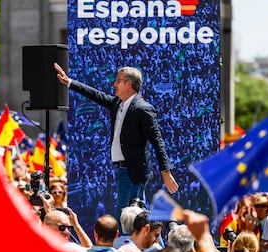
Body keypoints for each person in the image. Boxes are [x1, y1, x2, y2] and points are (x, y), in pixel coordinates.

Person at [54, 63, 179, 223]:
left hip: (132, 171)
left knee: (124, 218)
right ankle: (156, 245)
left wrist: (165, 171)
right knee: (139, 216)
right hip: (122, 170)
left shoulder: (142, 109)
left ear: (129, 84)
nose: (114, 84)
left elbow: (157, 141)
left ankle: (131, 245)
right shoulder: (117, 103)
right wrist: (70, 82)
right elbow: (96, 95)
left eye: (118, 81)